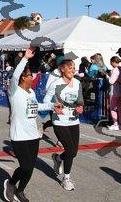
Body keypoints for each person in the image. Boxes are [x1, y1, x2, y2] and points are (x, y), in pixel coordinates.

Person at [3, 47, 56, 202]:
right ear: (23, 78)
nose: (32, 77)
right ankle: (11, 183)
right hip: (19, 135)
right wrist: (25, 58)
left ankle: (20, 191)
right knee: (25, 166)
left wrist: (53, 106)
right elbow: (15, 76)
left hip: (33, 135)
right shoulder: (14, 91)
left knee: (30, 167)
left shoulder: (31, 92)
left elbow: (36, 106)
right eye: (30, 75)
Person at [44, 59, 84, 191]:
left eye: (74, 68)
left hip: (74, 120)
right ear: (62, 69)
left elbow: (80, 100)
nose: (73, 70)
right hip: (59, 121)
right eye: (70, 68)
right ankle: (66, 179)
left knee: (73, 153)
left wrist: (80, 106)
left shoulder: (77, 83)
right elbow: (46, 100)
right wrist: (53, 106)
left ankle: (58, 158)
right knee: (70, 150)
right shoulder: (56, 84)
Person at [106, 56, 121, 131]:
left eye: (111, 62)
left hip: (114, 91)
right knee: (120, 107)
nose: (110, 64)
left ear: (113, 62)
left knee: (112, 108)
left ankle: (115, 124)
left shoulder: (115, 70)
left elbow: (111, 81)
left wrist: (107, 76)